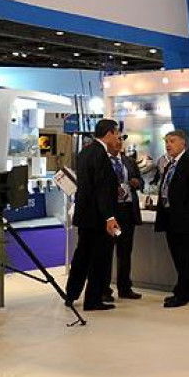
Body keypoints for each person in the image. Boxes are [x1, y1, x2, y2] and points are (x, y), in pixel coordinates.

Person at [64, 119, 123, 312]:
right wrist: (109, 217)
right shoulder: (100, 154)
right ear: (109, 133)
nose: (118, 137)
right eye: (116, 133)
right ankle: (93, 299)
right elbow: (101, 188)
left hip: (85, 215)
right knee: (99, 259)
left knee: (82, 256)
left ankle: (71, 294)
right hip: (98, 217)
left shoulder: (85, 152)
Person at [154, 129, 189, 309]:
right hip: (170, 219)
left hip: (186, 221)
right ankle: (185, 291)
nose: (168, 145)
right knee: (178, 258)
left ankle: (182, 294)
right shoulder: (170, 165)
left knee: (186, 259)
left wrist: (186, 213)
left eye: (172, 141)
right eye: (166, 141)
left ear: (183, 143)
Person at [102, 138, 143, 302]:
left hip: (127, 212)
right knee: (107, 251)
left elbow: (141, 182)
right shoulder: (103, 161)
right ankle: (104, 289)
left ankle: (125, 287)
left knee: (125, 251)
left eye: (120, 140)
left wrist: (137, 183)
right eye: (115, 140)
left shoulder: (128, 161)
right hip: (112, 213)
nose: (119, 143)